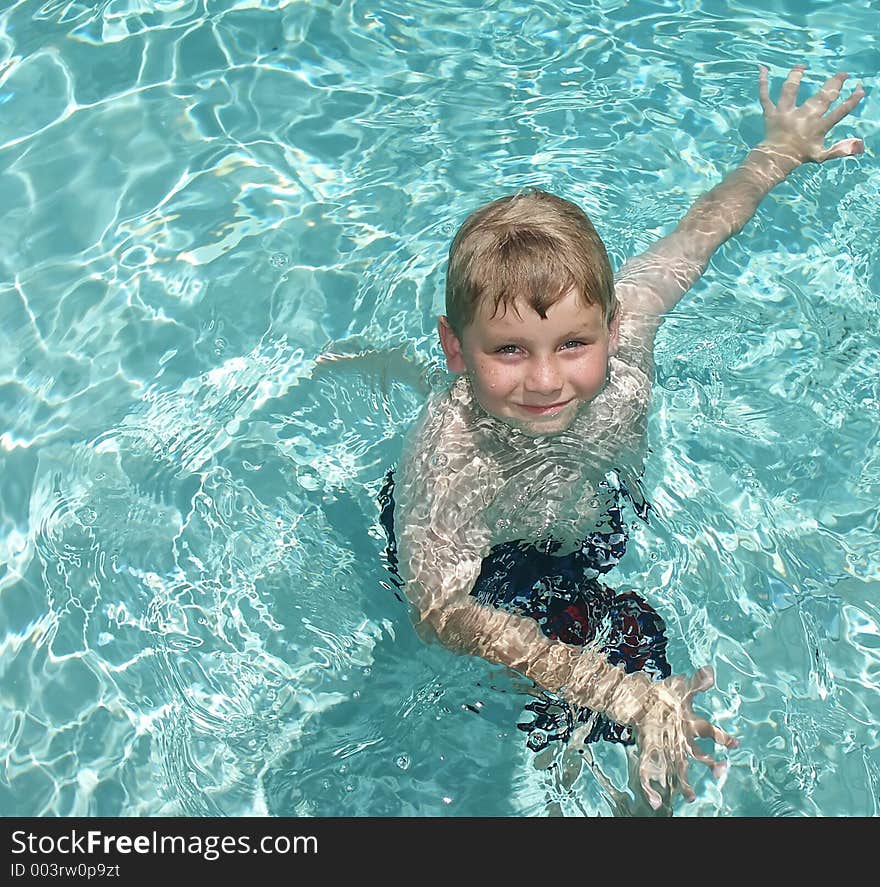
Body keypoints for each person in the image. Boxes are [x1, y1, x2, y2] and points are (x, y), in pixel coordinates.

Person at [385, 65, 865, 812]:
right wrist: (614, 689)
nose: (546, 378)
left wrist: (778, 150)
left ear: (613, 324)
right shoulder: (450, 460)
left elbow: (702, 231)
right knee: (634, 660)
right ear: (455, 349)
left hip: (585, 506)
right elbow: (439, 610)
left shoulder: (633, 321)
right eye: (508, 351)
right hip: (490, 561)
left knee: (623, 612)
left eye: (573, 344)